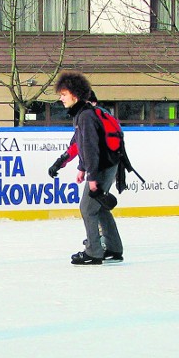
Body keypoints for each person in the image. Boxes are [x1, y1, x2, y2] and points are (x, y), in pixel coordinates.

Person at [54, 70, 124, 265]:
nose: (61, 99)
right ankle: (113, 248)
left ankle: (94, 251)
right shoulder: (86, 113)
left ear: (75, 95)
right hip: (107, 164)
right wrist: (82, 168)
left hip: (101, 167)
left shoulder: (85, 116)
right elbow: (85, 146)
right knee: (99, 207)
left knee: (87, 208)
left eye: (64, 94)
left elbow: (91, 148)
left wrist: (91, 177)